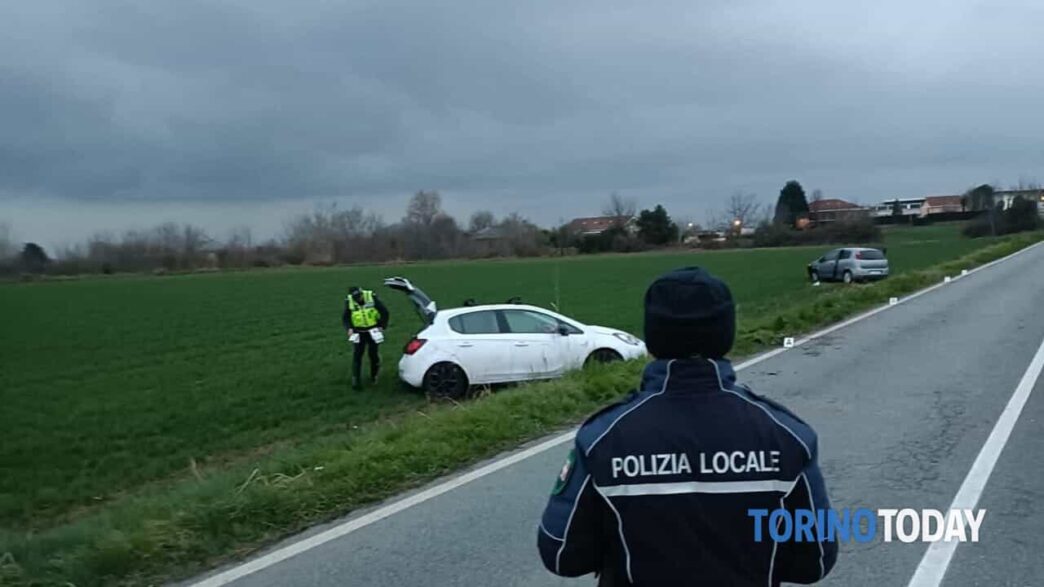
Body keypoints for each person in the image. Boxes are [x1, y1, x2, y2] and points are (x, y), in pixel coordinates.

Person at [537, 267, 837, 586]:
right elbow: (815, 561)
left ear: (653, 338)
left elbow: (561, 554)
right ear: (726, 336)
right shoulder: (788, 436)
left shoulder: (602, 438)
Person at [342, 285, 390, 390]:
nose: (359, 299)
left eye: (359, 296)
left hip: (372, 331)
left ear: (362, 293)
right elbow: (345, 317)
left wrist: (382, 325)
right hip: (358, 332)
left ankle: (374, 376)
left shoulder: (371, 296)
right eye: (356, 298)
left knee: (373, 354)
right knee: (357, 355)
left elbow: (385, 312)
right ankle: (356, 381)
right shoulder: (349, 301)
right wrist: (349, 328)